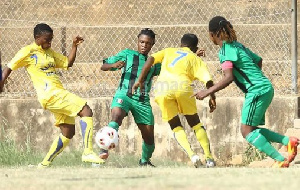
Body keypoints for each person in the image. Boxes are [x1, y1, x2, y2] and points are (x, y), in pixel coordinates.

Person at [192, 16, 299, 168]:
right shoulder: (237, 46)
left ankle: (280, 160)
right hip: (265, 87)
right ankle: (289, 142)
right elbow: (259, 60)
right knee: (252, 129)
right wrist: (253, 78)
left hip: (257, 90)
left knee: (246, 131)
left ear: (212, 34)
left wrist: (208, 91)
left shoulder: (224, 51)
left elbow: (228, 77)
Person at [0, 23, 105, 168]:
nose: (49, 42)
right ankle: (88, 152)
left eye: (51, 39)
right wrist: (1, 82)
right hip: (50, 94)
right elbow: (8, 67)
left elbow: (68, 63)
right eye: (46, 39)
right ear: (37, 38)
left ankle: (44, 164)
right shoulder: (27, 52)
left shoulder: (49, 52)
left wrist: (74, 45)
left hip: (57, 93)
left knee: (68, 131)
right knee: (86, 110)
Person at [132, 33, 217, 168]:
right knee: (194, 122)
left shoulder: (169, 51)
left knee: (175, 124)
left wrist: (140, 80)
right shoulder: (195, 59)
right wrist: (212, 97)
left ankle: (192, 155)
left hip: (161, 88)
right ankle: (209, 158)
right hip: (182, 86)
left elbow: (150, 59)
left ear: (181, 44)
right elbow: (208, 81)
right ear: (195, 47)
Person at [100, 28, 161, 167]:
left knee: (149, 139)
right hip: (124, 95)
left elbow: (172, 68)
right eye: (141, 42)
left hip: (142, 101)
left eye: (147, 43)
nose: (144, 45)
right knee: (116, 117)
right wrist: (113, 65)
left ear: (152, 44)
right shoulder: (127, 54)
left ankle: (144, 161)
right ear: (138, 42)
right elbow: (103, 66)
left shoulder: (155, 62)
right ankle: (103, 148)